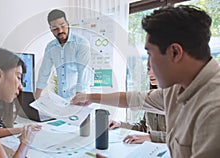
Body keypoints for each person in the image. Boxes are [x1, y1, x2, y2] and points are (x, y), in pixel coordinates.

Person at [71, 5, 220, 157]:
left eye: (150, 54)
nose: (148, 65)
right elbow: (134, 99)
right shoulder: (178, 87)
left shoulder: (214, 110)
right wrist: (90, 97)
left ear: (175, 52)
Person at [35, 9, 91, 100]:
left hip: (81, 97)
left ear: (67, 23)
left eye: (62, 25)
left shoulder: (81, 43)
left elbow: (83, 72)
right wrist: (37, 97)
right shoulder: (50, 47)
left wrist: (78, 97)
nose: (60, 30)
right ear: (51, 29)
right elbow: (44, 72)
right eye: (55, 28)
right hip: (61, 99)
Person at [109, 64, 166, 144]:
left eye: (154, 69)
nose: (149, 73)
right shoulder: (149, 98)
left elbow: (182, 137)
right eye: (148, 69)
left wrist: (150, 137)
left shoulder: (177, 98)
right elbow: (143, 127)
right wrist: (121, 125)